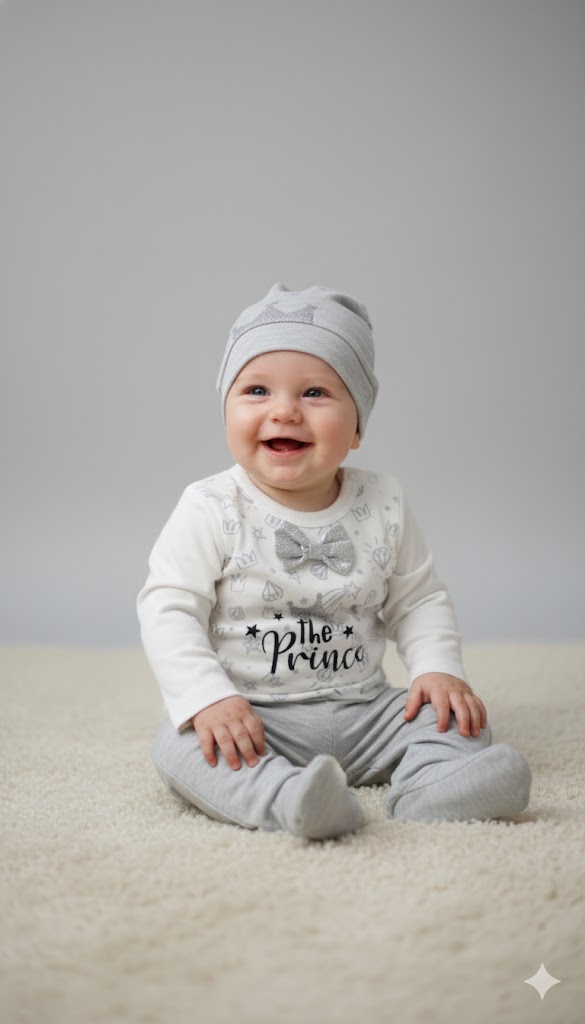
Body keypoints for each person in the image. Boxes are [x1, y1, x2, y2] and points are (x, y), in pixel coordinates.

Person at [137, 282, 531, 839]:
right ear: (225, 408)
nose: (284, 410)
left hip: (366, 711)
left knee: (454, 717)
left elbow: (419, 600)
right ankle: (292, 799)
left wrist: (438, 670)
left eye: (316, 392)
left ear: (358, 425)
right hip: (254, 716)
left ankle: (434, 785)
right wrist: (208, 699)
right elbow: (168, 609)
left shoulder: (384, 502)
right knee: (181, 744)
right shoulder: (210, 506)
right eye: (256, 389)